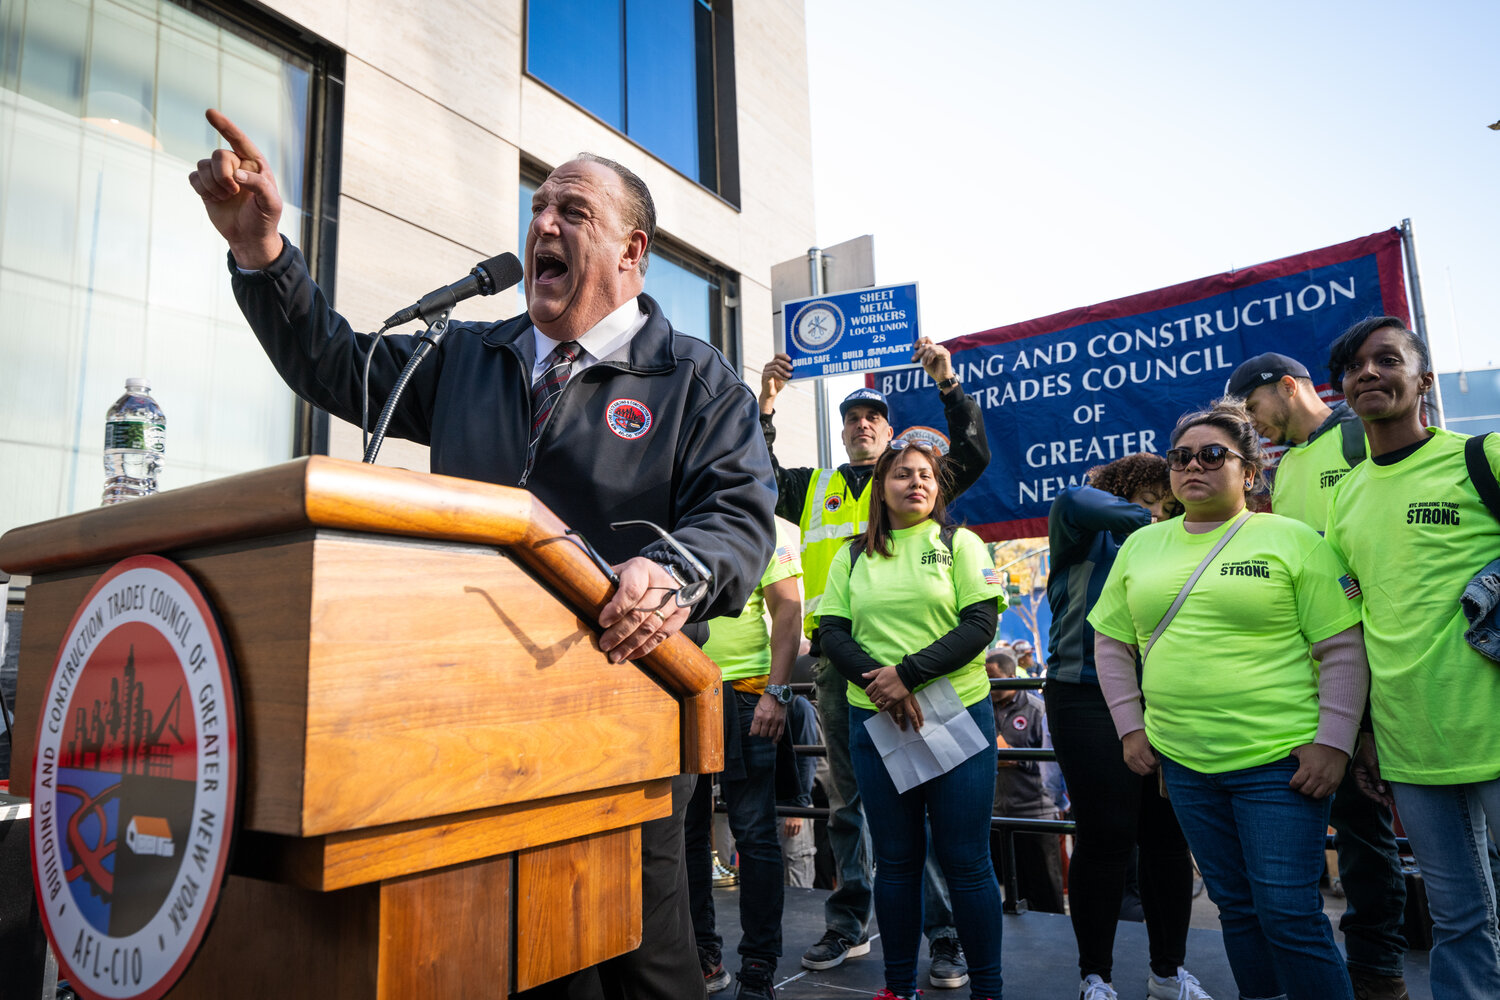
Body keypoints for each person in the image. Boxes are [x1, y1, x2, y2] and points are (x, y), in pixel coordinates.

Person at [188, 110, 775, 1000]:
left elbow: (739, 518)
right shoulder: (467, 353)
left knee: (638, 964)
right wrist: (266, 254)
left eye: (572, 212)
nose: (543, 224)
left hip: (621, 714)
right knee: (502, 959)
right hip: (469, 720)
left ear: (632, 250)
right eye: (537, 207)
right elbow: (337, 366)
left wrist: (677, 570)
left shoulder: (695, 379)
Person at [1089, 400, 1370, 1000]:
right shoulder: (1140, 547)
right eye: (1181, 457)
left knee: (1288, 912)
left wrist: (1334, 743)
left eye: (1213, 455)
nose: (1195, 465)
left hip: (1279, 763)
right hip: (1184, 763)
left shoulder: (1292, 540)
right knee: (1237, 909)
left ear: (1249, 471)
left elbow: (1342, 647)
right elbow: (1110, 642)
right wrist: (1131, 729)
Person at [759, 349, 990, 987]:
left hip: (923, 674)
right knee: (848, 801)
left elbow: (971, 453)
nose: (862, 424)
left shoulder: (913, 483)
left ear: (890, 434)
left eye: (873, 417)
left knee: (926, 798)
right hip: (841, 668)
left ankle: (943, 935)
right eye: (852, 418)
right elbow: (757, 471)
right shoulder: (813, 487)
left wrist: (947, 383)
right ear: (842, 431)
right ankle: (849, 922)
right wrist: (769, 404)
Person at [1323, 317, 1500, 1000]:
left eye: (1387, 360)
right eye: (1354, 366)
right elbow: (1351, 620)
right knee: (1459, 918)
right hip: (1409, 743)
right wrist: (1364, 733)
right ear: (1342, 390)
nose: (1369, 372)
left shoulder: (1481, 457)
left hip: (1491, 723)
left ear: (1422, 379)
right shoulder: (1344, 500)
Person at [1227, 351, 1410, 1000]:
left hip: (1387, 664)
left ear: (1288, 387)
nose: (1253, 426)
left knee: (1375, 830)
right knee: (1348, 827)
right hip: (1315, 674)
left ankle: (1379, 971)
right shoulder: (1283, 469)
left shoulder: (1362, 436)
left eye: (1253, 410)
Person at [819, 441, 1007, 1000]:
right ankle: (897, 988)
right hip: (876, 723)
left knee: (968, 863)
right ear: (882, 487)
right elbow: (831, 632)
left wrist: (906, 674)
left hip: (958, 715)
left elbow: (979, 625)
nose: (917, 483)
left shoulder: (960, 544)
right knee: (896, 864)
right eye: (903, 474)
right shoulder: (852, 555)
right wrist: (883, 685)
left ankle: (989, 991)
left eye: (926, 475)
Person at [1044, 453, 1207, 1000]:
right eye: (1148, 501)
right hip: (1083, 694)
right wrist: (1158, 523)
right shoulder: (1085, 531)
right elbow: (1073, 499)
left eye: (1169, 506)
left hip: (1163, 698)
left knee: (1167, 840)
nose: (1160, 513)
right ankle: (1096, 977)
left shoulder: (1178, 545)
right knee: (1106, 838)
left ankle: (1168, 973)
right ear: (1122, 492)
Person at [686, 521, 803, 999]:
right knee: (685, 835)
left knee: (754, 834)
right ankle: (700, 955)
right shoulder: (676, 504)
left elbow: (788, 610)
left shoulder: (767, 524)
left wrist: (776, 692)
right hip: (680, 687)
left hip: (748, 693)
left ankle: (759, 962)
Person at [985, 649, 1065, 915]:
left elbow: (1050, 762)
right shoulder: (983, 708)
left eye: (994, 677)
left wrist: (1011, 757)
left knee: (1045, 894)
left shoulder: (1036, 709)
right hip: (997, 815)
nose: (990, 684)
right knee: (1010, 895)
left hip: (1035, 813)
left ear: (1010, 675)